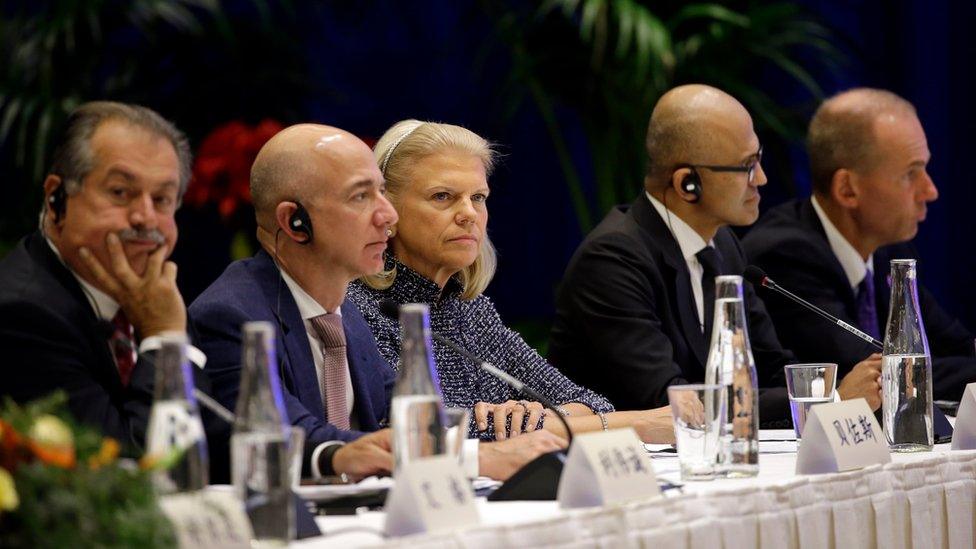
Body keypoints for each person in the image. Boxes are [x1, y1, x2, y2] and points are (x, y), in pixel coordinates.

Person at [190, 124, 564, 481]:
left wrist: (518, 427)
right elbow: (283, 435)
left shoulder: (344, 315)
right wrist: (475, 456)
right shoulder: (233, 315)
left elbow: (403, 422)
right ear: (294, 222)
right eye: (360, 196)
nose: (388, 215)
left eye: (382, 192)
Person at [548, 85, 883, 427]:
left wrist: (850, 386)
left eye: (759, 159)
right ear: (686, 183)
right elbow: (673, 402)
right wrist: (832, 399)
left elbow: (767, 369)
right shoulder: (613, 261)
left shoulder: (722, 246)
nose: (762, 179)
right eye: (746, 166)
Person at [347, 119, 675, 444]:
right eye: (443, 196)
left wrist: (535, 417)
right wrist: (638, 424)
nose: (469, 214)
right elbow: (425, 434)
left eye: (478, 197)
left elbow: (589, 402)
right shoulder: (361, 311)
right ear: (387, 210)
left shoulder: (472, 311)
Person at [0, 101, 220, 452]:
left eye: (162, 199)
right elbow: (131, 475)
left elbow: (214, 444)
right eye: (121, 192)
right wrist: (165, 341)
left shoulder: (149, 294)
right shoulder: (22, 315)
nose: (146, 219)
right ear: (57, 200)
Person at [743, 88, 976, 401]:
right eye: (910, 174)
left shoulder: (888, 248)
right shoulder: (785, 254)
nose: (930, 191)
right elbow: (879, 375)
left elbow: (956, 346)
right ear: (847, 189)